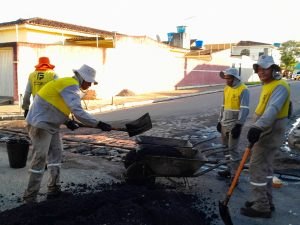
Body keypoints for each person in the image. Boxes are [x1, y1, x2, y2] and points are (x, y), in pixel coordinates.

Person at [23, 64, 112, 203]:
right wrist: (98, 123)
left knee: (56, 155)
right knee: (40, 159)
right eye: (89, 82)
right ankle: (29, 198)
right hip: (40, 124)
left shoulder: (67, 84)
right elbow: (78, 111)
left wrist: (67, 120)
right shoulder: (71, 85)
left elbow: (54, 104)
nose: (90, 85)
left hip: (51, 124)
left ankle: (53, 189)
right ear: (82, 78)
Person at [240, 55, 291, 218]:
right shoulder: (269, 85)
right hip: (267, 131)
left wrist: (257, 127)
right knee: (267, 168)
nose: (261, 72)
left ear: (274, 69)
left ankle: (261, 206)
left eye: (265, 68)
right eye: (259, 69)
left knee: (256, 167)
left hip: (268, 131)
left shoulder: (280, 86)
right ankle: (265, 200)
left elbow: (273, 109)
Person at [216, 67, 250, 181]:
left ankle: (235, 176)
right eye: (225, 78)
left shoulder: (243, 89)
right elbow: (223, 106)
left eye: (229, 78)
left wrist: (239, 125)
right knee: (225, 148)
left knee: (232, 150)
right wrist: (219, 121)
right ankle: (228, 169)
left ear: (235, 78)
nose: (226, 81)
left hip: (234, 124)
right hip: (225, 122)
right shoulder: (226, 89)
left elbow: (244, 109)